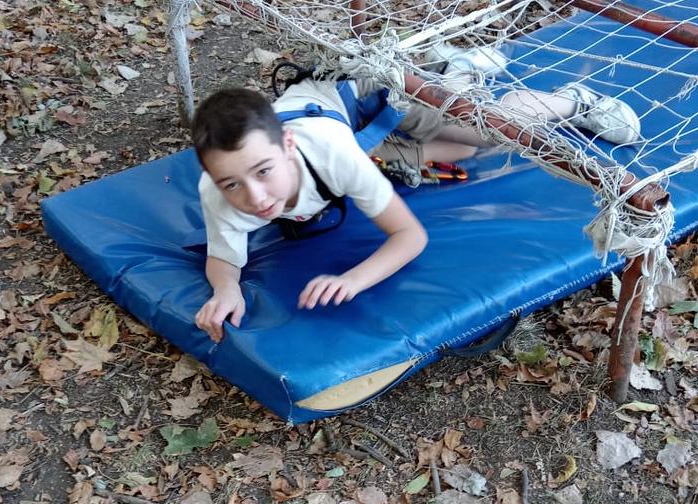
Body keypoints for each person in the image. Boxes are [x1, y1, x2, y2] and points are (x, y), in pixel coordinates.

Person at [190, 69, 640, 343]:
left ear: (287, 147)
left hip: (366, 91)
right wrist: (225, 289)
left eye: (264, 171)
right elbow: (224, 257)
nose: (255, 198)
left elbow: (410, 236)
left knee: (485, 133)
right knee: (457, 152)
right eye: (232, 184)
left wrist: (352, 280)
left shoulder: (333, 157)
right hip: (341, 128)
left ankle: (572, 99)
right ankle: (453, 79)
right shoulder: (220, 188)